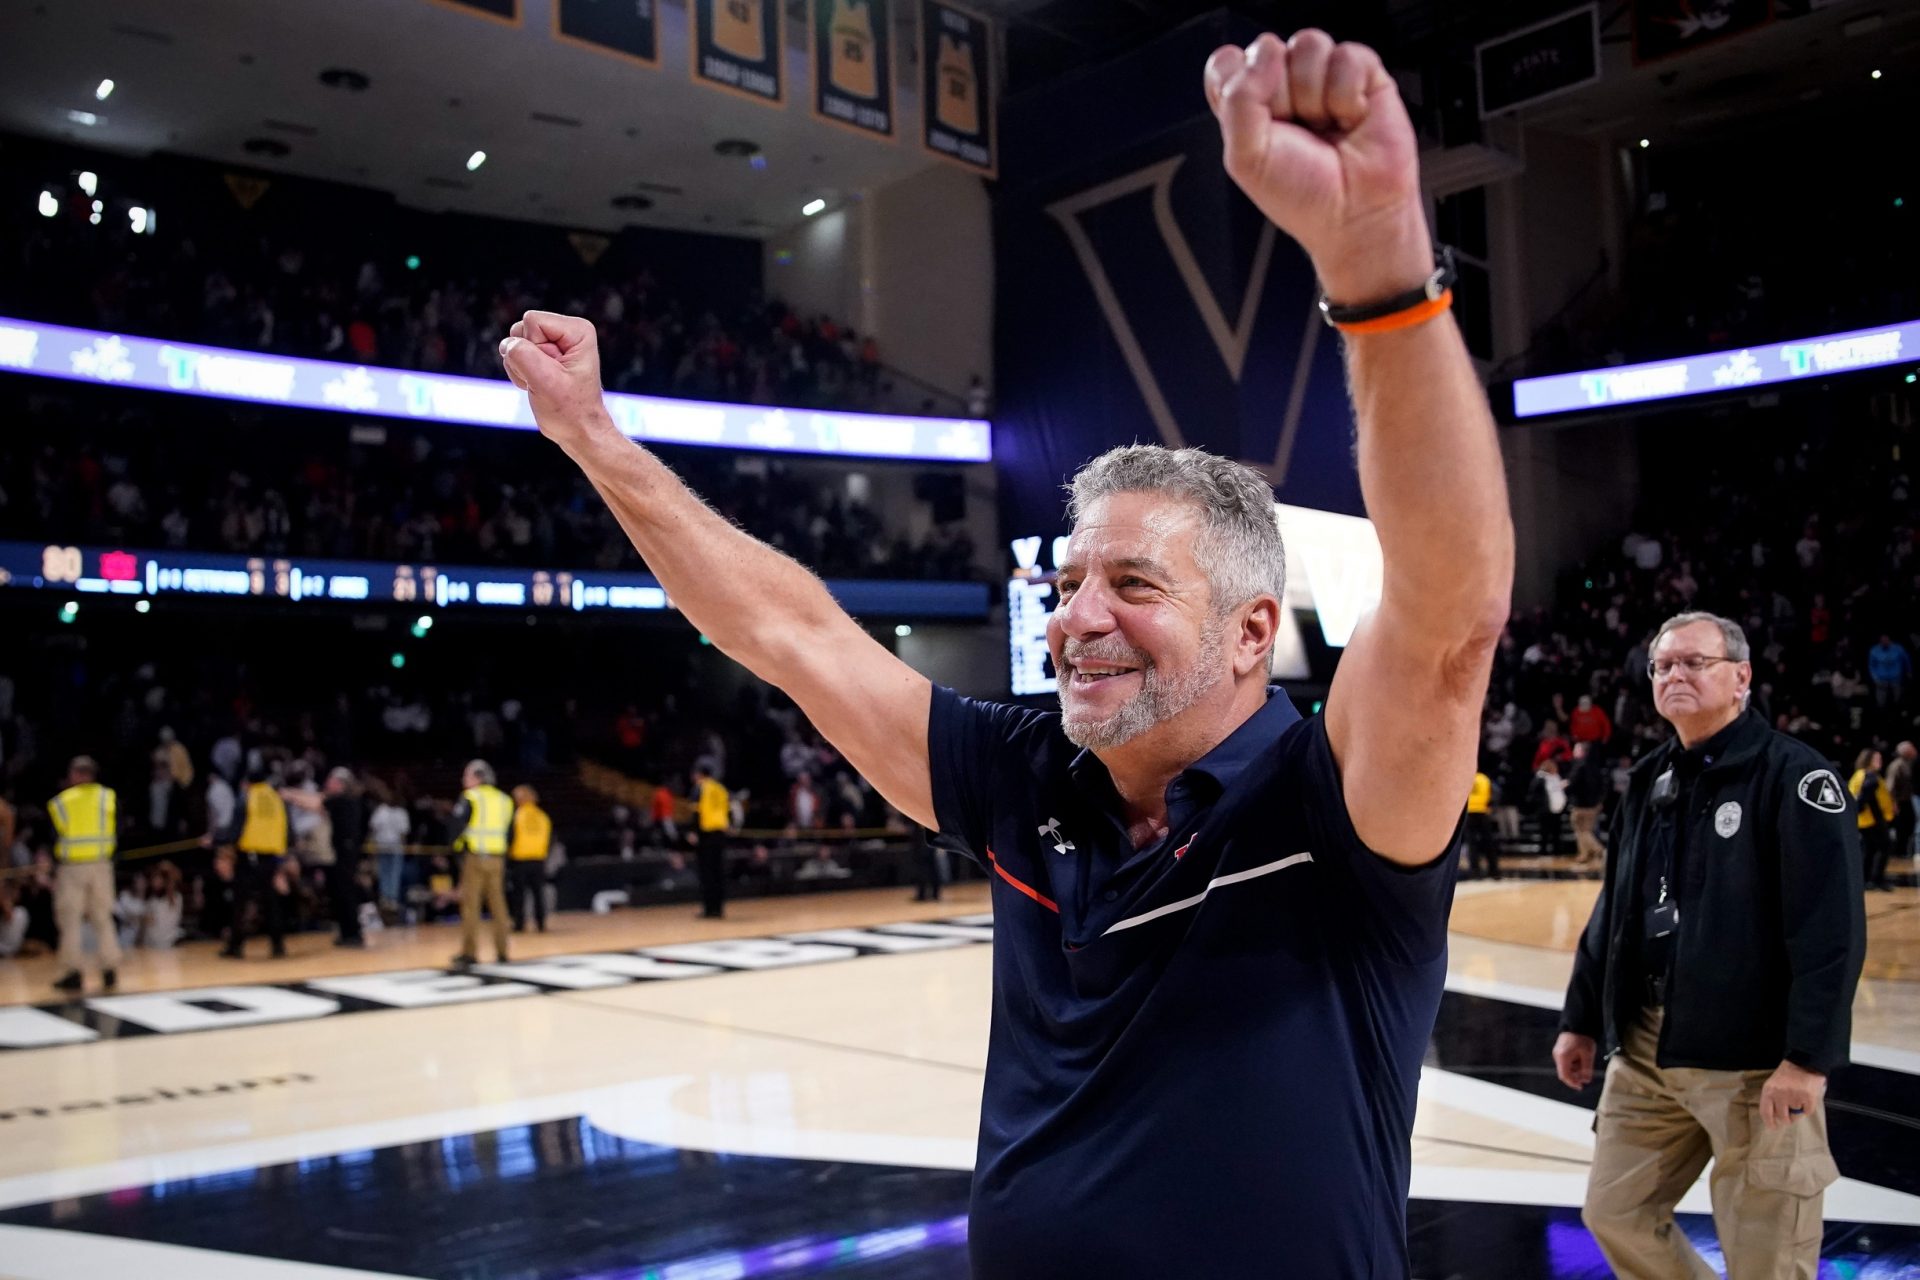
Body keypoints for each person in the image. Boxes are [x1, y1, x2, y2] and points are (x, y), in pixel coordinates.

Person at [498, 27, 1513, 1272]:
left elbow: (1452, 620)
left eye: (1132, 583)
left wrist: (1377, 264)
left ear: (1256, 630)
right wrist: (597, 440)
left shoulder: (1336, 809)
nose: (1078, 617)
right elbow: (786, 627)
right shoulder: (1021, 777)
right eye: (1068, 579)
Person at [1553, 612, 1865, 1280]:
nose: (1674, 676)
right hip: (1646, 1052)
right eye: (1663, 665)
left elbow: (1831, 931)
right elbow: (1617, 908)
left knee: (1766, 1259)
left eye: (1694, 662)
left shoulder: (1795, 779)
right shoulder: (1648, 780)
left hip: (1754, 1063)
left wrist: (1807, 1059)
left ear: (1741, 677)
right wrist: (1581, 1019)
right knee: (1616, 1214)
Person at [47, 755, 121, 992]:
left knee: (70, 920)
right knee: (103, 917)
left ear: (76, 774)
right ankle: (110, 968)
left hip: (73, 867)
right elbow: (117, 828)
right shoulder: (107, 797)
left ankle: (73, 972)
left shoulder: (62, 801)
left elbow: (53, 836)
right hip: (101, 864)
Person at [221, 763, 289, 958]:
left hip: (248, 856)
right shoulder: (276, 798)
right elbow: (287, 829)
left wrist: (220, 840)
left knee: (240, 903)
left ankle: (235, 946)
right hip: (271, 857)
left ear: (247, 782)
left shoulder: (246, 797)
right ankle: (278, 945)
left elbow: (236, 829)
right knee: (270, 902)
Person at [449, 759, 513, 967]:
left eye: (466, 776)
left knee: (471, 906)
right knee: (499, 906)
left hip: (475, 857)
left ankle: (469, 952)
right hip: (497, 858)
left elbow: (457, 827)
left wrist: (457, 851)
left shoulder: (470, 797)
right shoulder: (505, 800)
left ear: (477, 778)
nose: (463, 780)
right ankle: (503, 951)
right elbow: (510, 832)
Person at [1849, 748, 1897, 892]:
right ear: (1868, 760)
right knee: (1884, 848)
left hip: (1863, 820)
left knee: (1869, 850)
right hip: (1871, 820)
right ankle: (1877, 879)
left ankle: (1866, 879)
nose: (1880, 762)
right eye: (1877, 759)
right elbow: (1865, 798)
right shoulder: (1870, 777)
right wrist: (1879, 818)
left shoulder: (1859, 774)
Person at [507, 784, 552, 933]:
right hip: (538, 861)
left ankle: (519, 924)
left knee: (519, 894)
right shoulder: (543, 817)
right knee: (538, 894)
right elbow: (550, 840)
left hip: (520, 861)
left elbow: (510, 837)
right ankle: (541, 923)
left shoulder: (517, 816)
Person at [692, 763, 730, 919]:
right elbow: (728, 810)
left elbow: (696, 811)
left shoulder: (700, 788)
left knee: (706, 874)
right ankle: (719, 908)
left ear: (700, 774)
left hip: (705, 835)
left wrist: (693, 832)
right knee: (718, 873)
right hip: (720, 834)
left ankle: (709, 909)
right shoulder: (720, 788)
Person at [1566, 740, 1609, 871]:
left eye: (1576, 749)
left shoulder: (1579, 766)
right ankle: (1584, 855)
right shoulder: (1595, 766)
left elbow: (1573, 784)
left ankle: (1600, 850)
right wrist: (1600, 801)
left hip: (1581, 804)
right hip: (1594, 805)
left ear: (1581, 751)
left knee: (1581, 831)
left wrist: (1565, 785)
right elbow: (1603, 785)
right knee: (1586, 830)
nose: (1573, 751)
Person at [1465, 764, 1498, 880]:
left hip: (1469, 813)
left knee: (1472, 844)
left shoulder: (1465, 778)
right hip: (1483, 813)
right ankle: (1494, 871)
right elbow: (1493, 795)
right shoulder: (1484, 779)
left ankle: (1475, 872)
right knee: (1488, 843)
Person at [1890, 740, 1916, 863]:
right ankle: (1899, 852)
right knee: (1902, 828)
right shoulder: (1897, 765)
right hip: (1900, 802)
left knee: (1909, 825)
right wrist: (1893, 803)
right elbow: (1891, 786)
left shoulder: (1907, 763)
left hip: (1906, 800)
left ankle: (1904, 850)